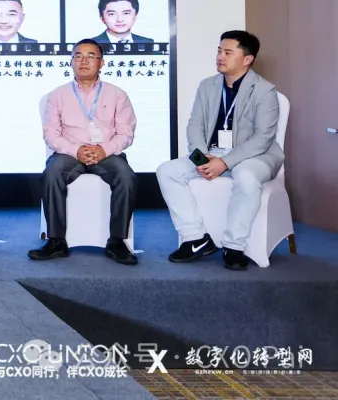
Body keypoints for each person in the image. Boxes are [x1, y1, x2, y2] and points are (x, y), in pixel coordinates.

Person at [156, 31, 282, 271]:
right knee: (167, 171)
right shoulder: (207, 86)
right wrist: (201, 159)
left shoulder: (265, 90)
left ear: (247, 59)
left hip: (255, 155)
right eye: (219, 51)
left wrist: (224, 163)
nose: (220, 57)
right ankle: (195, 238)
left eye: (228, 52)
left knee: (246, 176)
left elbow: (262, 138)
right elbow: (195, 125)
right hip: (212, 153)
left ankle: (234, 246)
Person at [29, 39, 139, 265]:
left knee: (126, 176)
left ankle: (117, 241)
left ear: (101, 63)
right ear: (71, 62)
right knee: (52, 173)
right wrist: (75, 150)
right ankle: (56, 241)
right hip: (69, 153)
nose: (84, 61)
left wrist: (103, 150)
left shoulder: (117, 95)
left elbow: (126, 134)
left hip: (107, 154)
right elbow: (51, 134)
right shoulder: (57, 95)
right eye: (78, 56)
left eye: (91, 56)